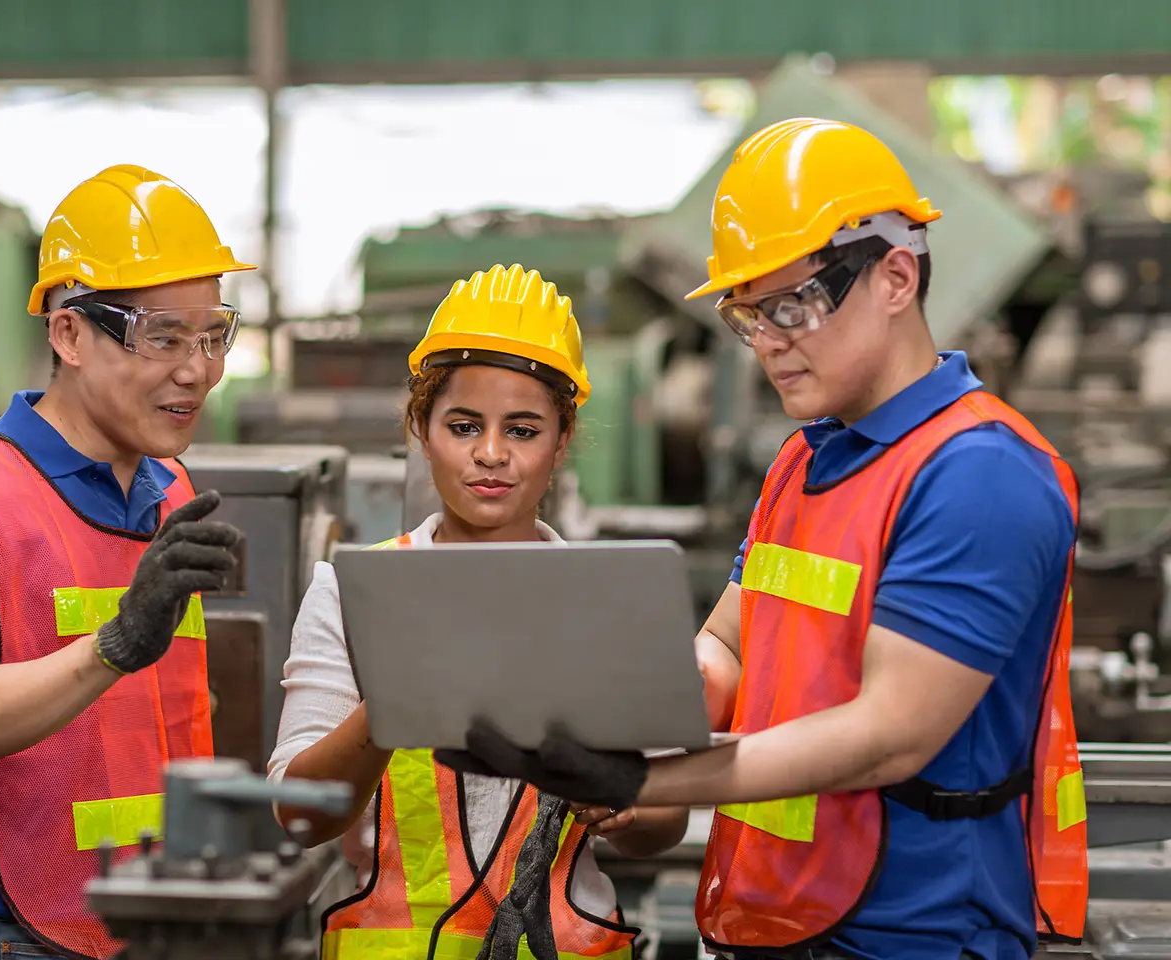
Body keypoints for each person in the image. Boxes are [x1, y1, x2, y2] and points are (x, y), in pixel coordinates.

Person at [436, 119, 1090, 960]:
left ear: (895, 276)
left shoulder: (979, 475)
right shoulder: (806, 459)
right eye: (750, 316)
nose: (768, 341)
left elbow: (893, 732)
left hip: (914, 932)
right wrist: (591, 707)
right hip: (769, 911)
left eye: (792, 305)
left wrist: (646, 780)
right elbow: (729, 651)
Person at [0, 164, 253, 960]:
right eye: (163, 337)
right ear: (68, 333)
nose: (198, 370)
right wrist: (113, 645)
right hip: (15, 935)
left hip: (157, 926)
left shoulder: (170, 487)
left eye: (213, 336)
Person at [268, 263, 692, 960]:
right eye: (464, 425)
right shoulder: (350, 591)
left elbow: (666, 819)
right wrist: (390, 705)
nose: (490, 455)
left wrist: (626, 804)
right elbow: (295, 814)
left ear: (561, 440)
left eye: (522, 430)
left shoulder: (607, 598)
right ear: (421, 428)